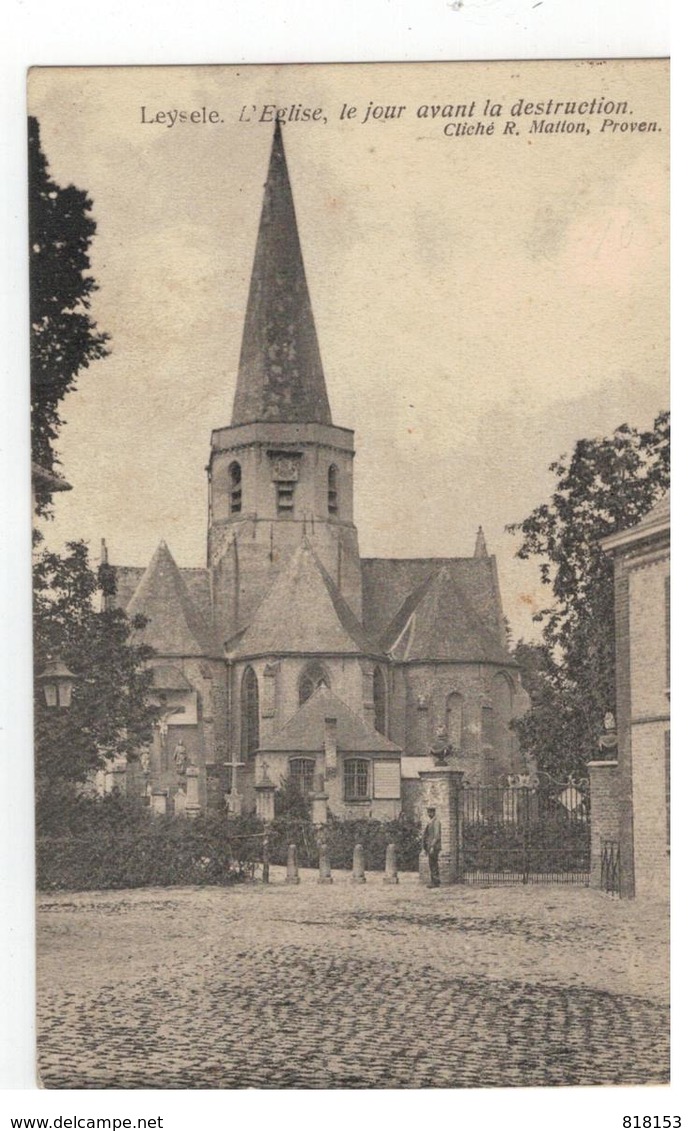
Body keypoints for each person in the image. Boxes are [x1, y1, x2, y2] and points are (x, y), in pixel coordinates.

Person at [422, 806, 442, 887]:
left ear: (434, 813)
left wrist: (432, 846)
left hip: (434, 847)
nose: (429, 814)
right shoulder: (431, 822)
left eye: (430, 812)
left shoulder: (436, 822)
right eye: (428, 812)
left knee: (433, 864)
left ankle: (435, 882)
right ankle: (435, 880)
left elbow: (437, 836)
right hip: (430, 846)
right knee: (432, 863)